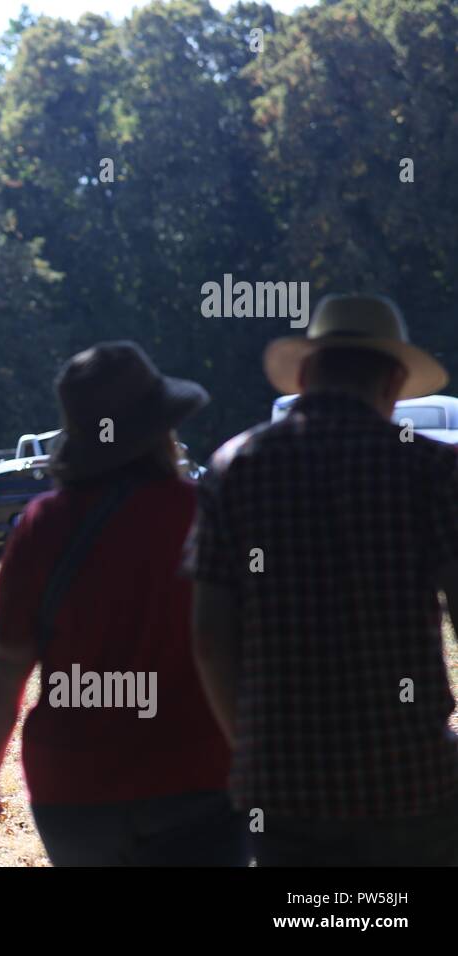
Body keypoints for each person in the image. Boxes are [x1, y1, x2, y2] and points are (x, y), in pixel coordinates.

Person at [188, 294, 458, 866]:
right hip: (412, 776)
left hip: (285, 788)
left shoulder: (234, 468)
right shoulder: (432, 470)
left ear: (306, 376)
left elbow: (209, 637)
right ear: (393, 381)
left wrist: (252, 750)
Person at [0, 341, 247, 866]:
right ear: (163, 429)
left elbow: (8, 668)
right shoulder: (204, 512)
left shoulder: (42, 525)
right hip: (195, 774)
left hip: (72, 787)